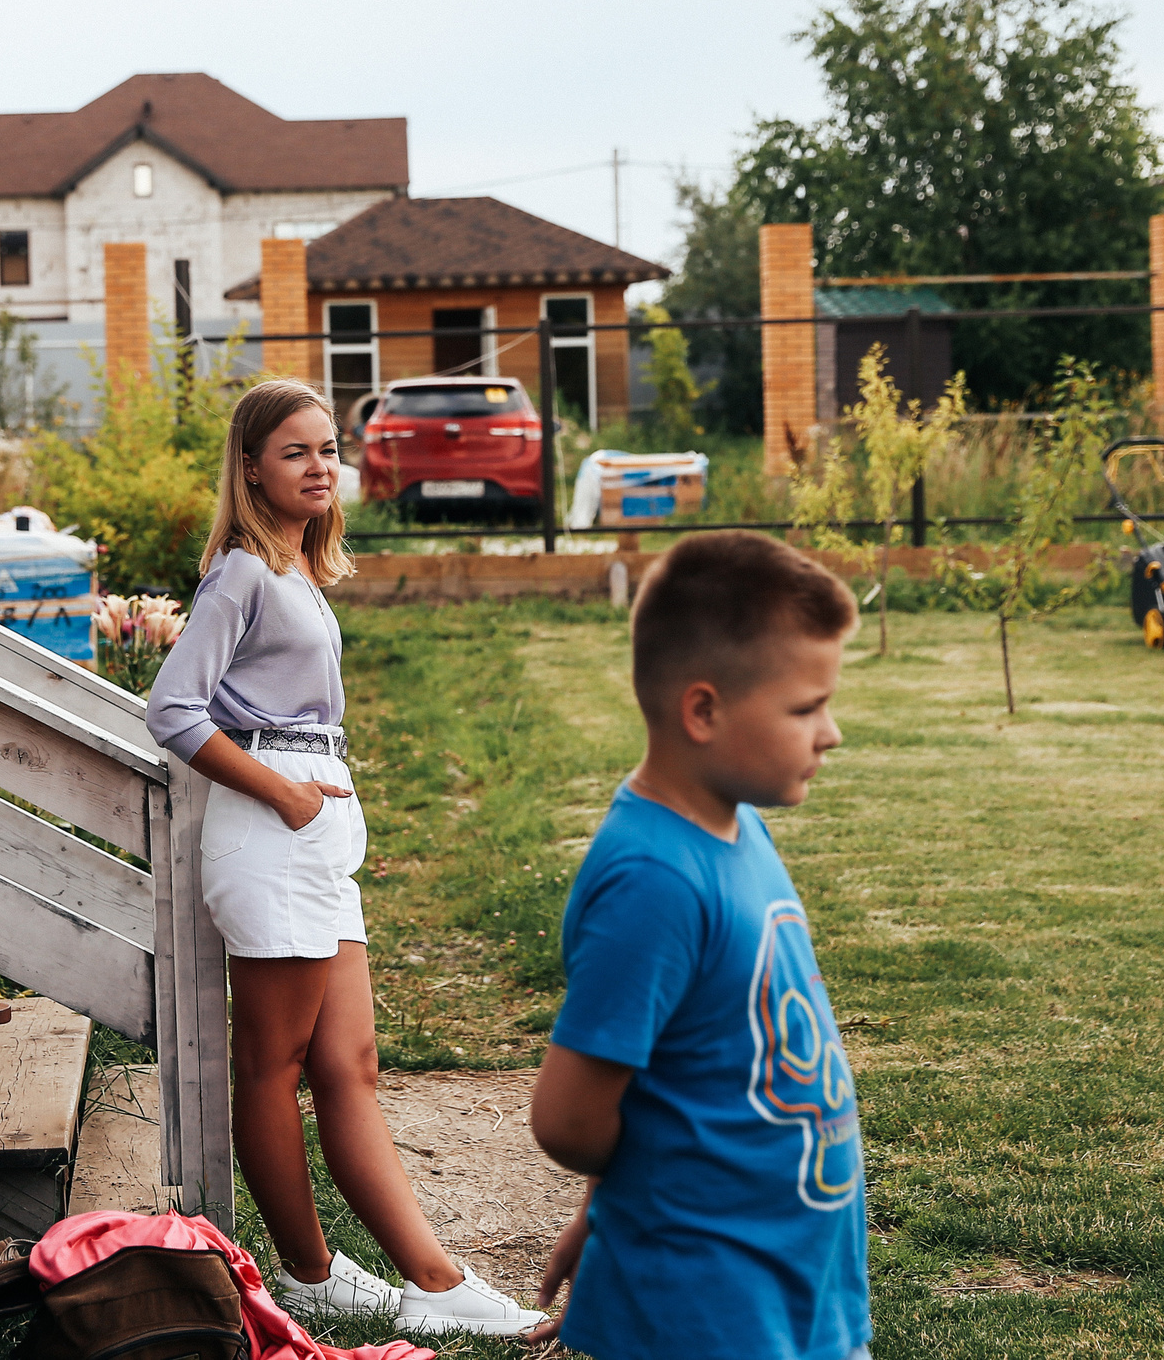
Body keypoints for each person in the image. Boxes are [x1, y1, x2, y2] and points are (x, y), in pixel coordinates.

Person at [145, 377, 537, 1338]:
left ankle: (414, 1281)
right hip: (271, 827)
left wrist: (309, 801)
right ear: (250, 467)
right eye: (295, 451)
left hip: (315, 835)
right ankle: (336, 1274)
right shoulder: (241, 572)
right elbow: (172, 708)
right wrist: (280, 792)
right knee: (271, 1064)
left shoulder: (294, 572)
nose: (321, 466)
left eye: (328, 448)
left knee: (350, 1064)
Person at [527, 529, 869, 1360]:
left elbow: (656, 1075)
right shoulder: (655, 881)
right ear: (704, 709)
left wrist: (598, 1210)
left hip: (787, 1279)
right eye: (805, 707)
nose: (832, 734)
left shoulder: (732, 825)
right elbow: (569, 1115)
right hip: (708, 1303)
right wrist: (628, 1215)